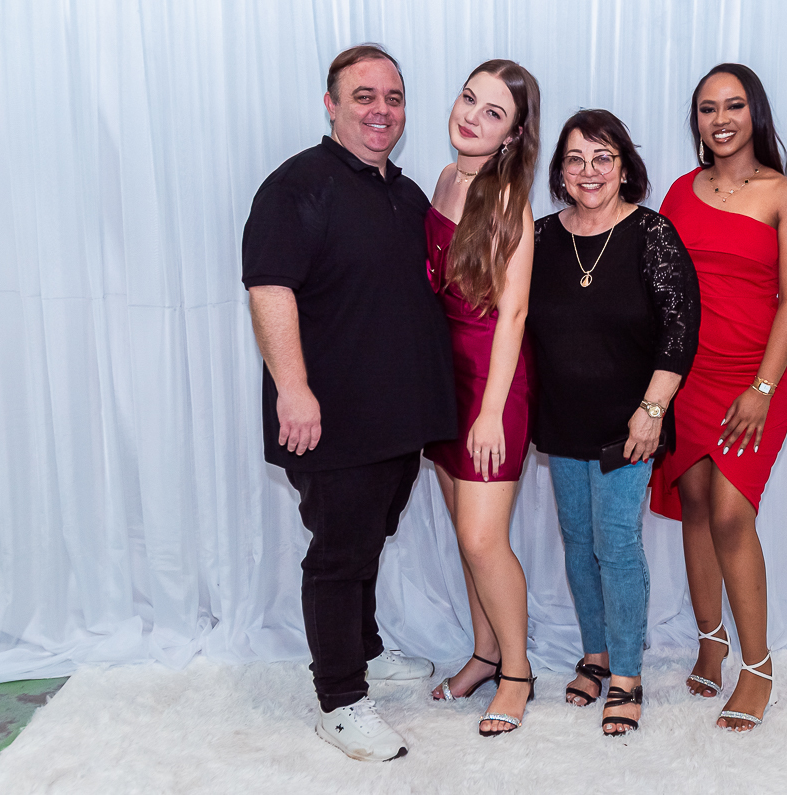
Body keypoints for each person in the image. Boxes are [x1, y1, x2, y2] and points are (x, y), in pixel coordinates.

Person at [241, 44, 456, 762]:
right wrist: (293, 389)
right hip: (329, 413)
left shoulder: (404, 191)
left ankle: (362, 649)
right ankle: (339, 700)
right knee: (339, 553)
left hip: (396, 412)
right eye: (364, 96)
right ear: (331, 105)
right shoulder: (296, 186)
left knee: (368, 538)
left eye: (393, 97)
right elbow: (269, 288)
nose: (381, 110)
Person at [650, 63, 787, 732]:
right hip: (686, 375)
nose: (720, 119)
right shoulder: (679, 191)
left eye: (734, 105)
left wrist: (762, 388)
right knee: (693, 503)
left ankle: (757, 666)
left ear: (756, 113)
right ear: (695, 120)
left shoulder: (786, 195)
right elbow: (658, 287)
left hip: (753, 376)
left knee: (729, 514)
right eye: (707, 108)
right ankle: (709, 641)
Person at [527, 110, 700, 736]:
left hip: (632, 422)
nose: (590, 171)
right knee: (578, 541)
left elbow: (680, 329)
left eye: (603, 157)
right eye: (576, 159)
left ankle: (627, 673)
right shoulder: (541, 237)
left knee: (617, 543)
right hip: (562, 418)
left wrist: (652, 411)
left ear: (625, 167)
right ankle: (595, 655)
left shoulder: (652, 233)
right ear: (560, 171)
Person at [422, 60, 540, 737]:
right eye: (469, 98)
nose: (471, 115)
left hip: (492, 382)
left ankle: (517, 673)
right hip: (444, 379)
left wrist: (493, 410)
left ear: (512, 134)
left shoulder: (506, 200)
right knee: (465, 536)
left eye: (493, 112)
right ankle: (484, 652)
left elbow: (514, 312)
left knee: (481, 536)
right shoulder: (445, 177)